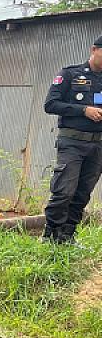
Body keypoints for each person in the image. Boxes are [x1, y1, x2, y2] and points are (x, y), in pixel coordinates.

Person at [43, 36, 102, 243]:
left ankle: (67, 236)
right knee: (64, 191)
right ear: (94, 49)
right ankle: (50, 234)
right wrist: (83, 110)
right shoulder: (70, 74)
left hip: (98, 145)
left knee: (82, 193)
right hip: (72, 142)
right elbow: (50, 104)